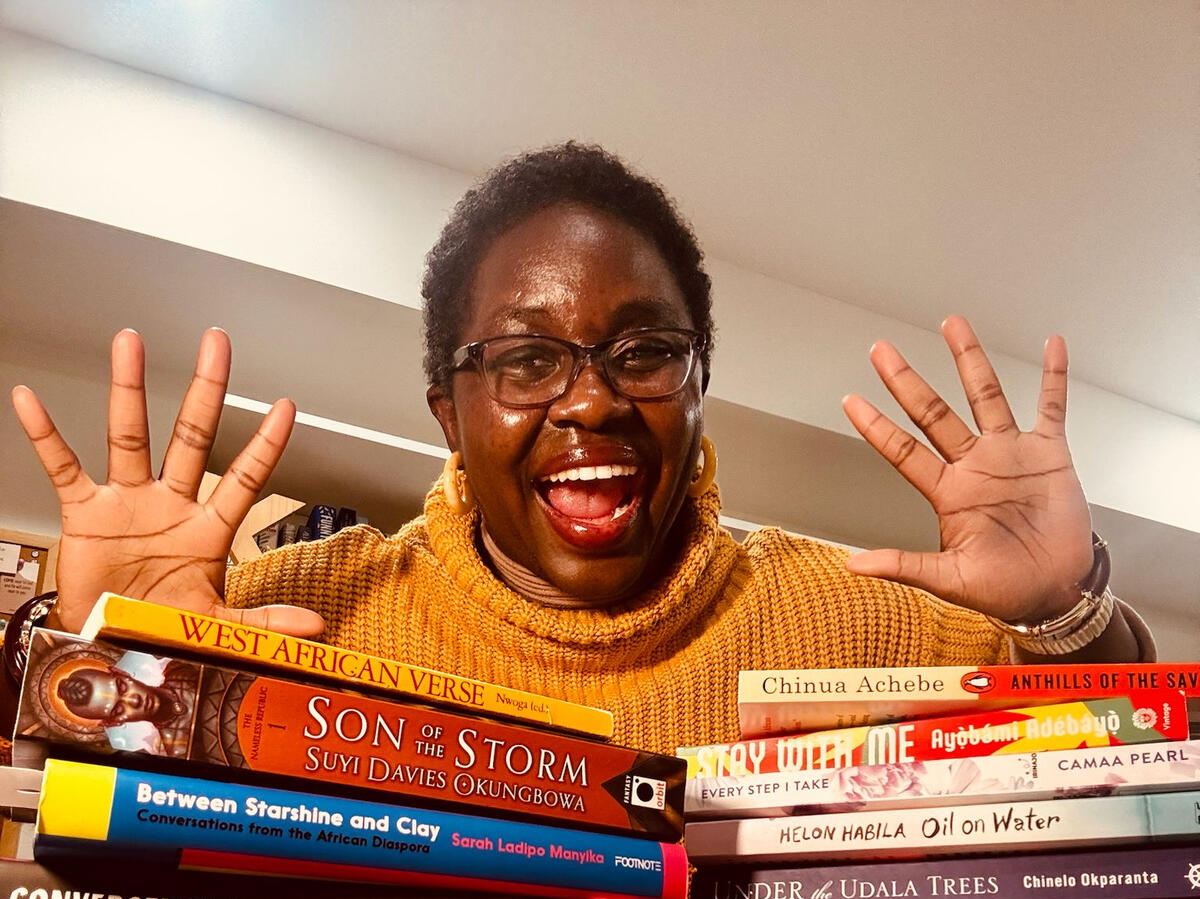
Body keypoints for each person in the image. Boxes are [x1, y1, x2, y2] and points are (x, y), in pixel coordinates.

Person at [9, 143, 1148, 761]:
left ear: (699, 386)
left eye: (644, 353)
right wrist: (78, 652)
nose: (593, 402)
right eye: (525, 360)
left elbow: (1136, 764)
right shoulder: (284, 619)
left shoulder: (859, 623)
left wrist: (1066, 615)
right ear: (448, 415)